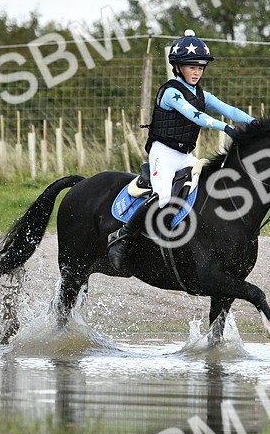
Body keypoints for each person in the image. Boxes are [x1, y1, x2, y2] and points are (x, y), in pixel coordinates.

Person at [106, 29, 256, 272]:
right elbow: (196, 117)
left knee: (209, 190)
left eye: (200, 67)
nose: (197, 72)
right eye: (191, 67)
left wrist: (255, 123)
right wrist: (226, 128)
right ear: (178, 67)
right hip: (162, 154)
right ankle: (121, 240)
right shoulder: (171, 92)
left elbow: (229, 109)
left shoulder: (201, 94)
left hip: (185, 156)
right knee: (163, 198)